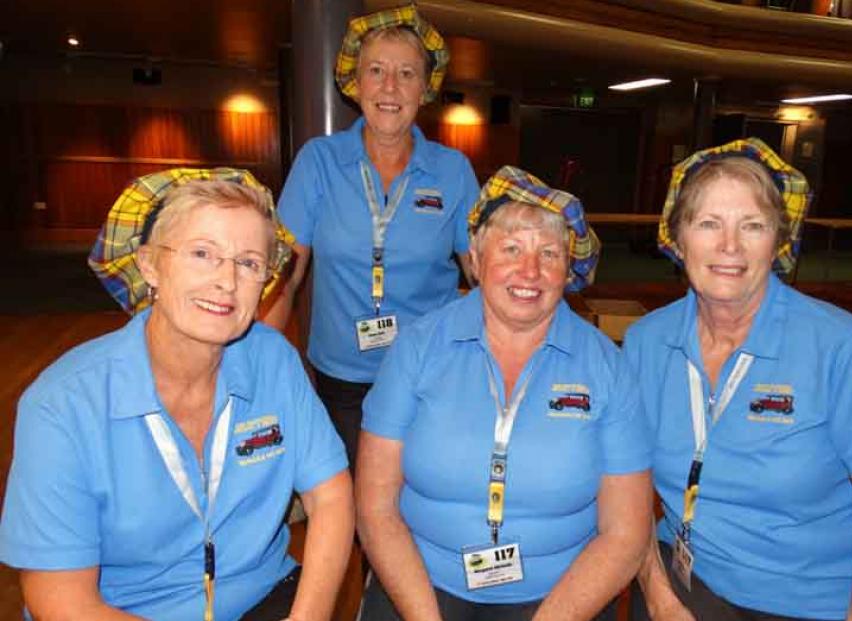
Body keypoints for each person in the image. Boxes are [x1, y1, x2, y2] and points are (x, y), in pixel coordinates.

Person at [0, 169, 353, 621]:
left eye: (248, 262)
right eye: (203, 253)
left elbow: (331, 496)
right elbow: (61, 601)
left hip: (258, 596)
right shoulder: (61, 405)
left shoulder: (273, 361)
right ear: (150, 265)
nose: (227, 280)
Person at [623, 139, 852, 621]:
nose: (729, 247)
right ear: (677, 239)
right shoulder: (646, 342)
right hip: (681, 585)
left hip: (814, 603)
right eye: (708, 224)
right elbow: (626, 496)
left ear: (780, 242)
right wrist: (659, 596)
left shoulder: (842, 347)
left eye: (753, 226)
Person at [357, 166, 654, 620]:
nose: (530, 271)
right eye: (511, 248)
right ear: (475, 259)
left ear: (569, 271)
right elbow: (376, 507)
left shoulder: (608, 366)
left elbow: (626, 534)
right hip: (419, 585)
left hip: (562, 597)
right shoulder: (417, 348)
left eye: (550, 254)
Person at [265, 5, 480, 468]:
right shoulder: (319, 161)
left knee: (418, 490)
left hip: (431, 369)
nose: (389, 87)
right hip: (342, 372)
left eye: (406, 73)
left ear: (425, 89)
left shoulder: (453, 171)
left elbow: (484, 272)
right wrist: (257, 356)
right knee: (358, 501)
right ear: (355, 83)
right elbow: (285, 270)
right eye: (376, 71)